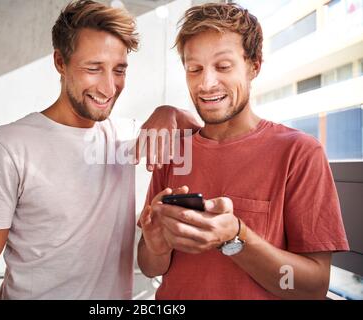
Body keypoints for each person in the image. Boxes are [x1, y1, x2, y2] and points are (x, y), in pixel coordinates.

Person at [0, 0, 199, 300]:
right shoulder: (8, 147)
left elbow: (206, 128)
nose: (109, 88)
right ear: (60, 62)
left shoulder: (127, 138)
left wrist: (168, 110)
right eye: (94, 69)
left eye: (119, 70)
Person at [137, 2, 349, 300]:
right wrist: (157, 246)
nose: (206, 83)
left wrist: (236, 238)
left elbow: (312, 288)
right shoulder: (174, 150)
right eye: (194, 69)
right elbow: (148, 266)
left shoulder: (299, 153)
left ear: (254, 66)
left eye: (223, 66)